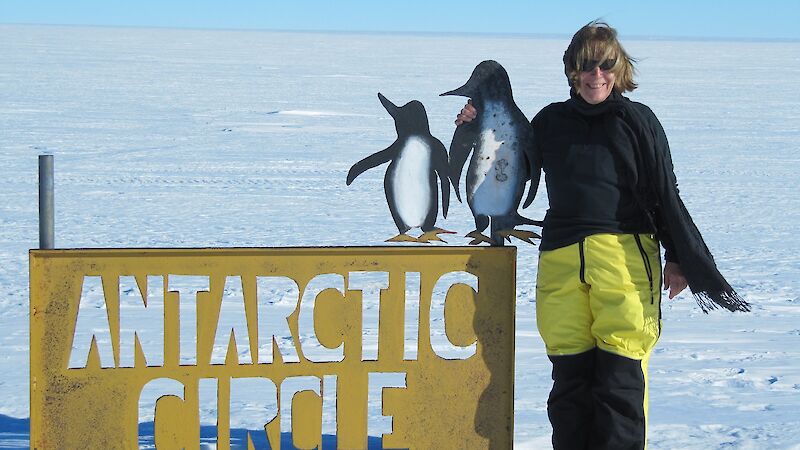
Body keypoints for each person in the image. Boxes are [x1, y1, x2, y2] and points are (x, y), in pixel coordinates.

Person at [455, 21, 749, 450]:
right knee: (570, 386)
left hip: (625, 262)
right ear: (572, 70)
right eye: (586, 67)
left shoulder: (637, 121)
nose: (596, 76)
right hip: (560, 264)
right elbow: (507, 160)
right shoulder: (550, 121)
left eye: (605, 66)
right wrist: (469, 126)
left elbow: (664, 191)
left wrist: (679, 256)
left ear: (618, 68)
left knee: (619, 383)